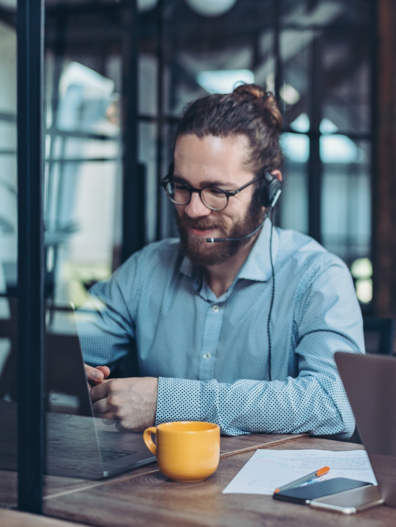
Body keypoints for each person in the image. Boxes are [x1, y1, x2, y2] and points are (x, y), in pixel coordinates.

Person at [78, 84, 364, 437]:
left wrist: (167, 402)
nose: (194, 209)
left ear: (268, 190)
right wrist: (67, 366)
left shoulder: (317, 277)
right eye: (182, 187)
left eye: (217, 192)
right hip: (152, 490)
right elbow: (67, 344)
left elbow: (336, 404)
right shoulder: (146, 269)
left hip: (266, 490)